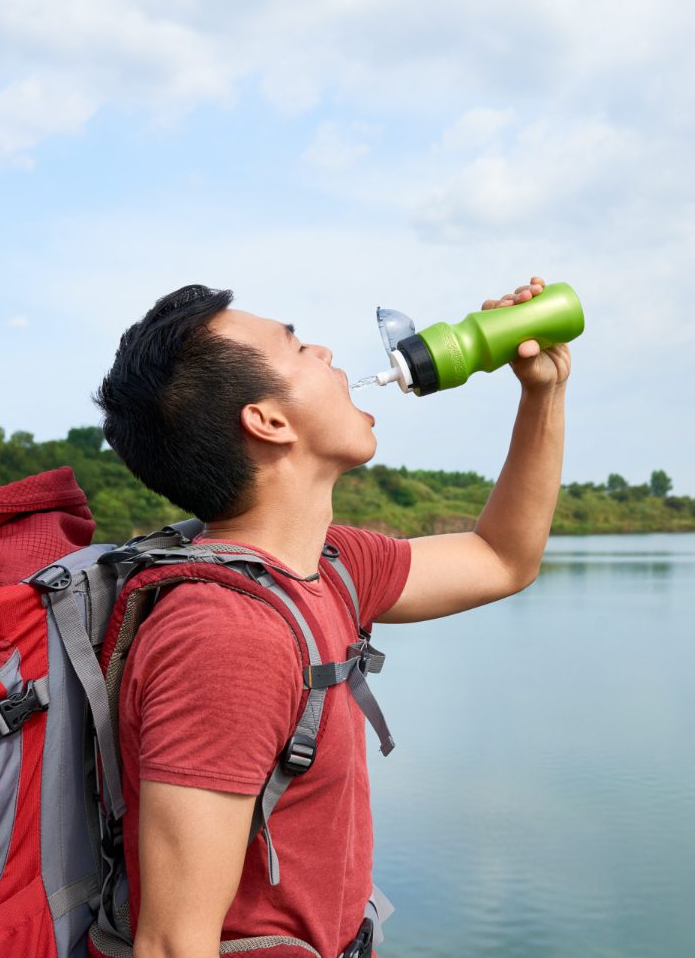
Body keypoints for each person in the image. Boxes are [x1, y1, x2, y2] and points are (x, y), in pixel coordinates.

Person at [93, 276, 569, 957]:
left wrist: (542, 392)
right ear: (268, 421)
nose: (323, 348)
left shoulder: (331, 565)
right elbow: (172, 943)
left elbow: (501, 558)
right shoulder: (223, 635)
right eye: (294, 344)